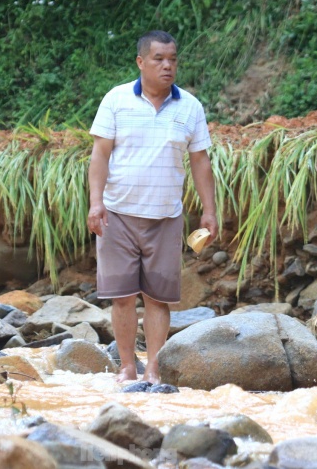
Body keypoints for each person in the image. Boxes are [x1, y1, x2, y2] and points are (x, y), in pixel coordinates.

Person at [87, 30, 218, 383]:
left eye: (173, 59)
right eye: (159, 59)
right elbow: (100, 154)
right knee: (123, 297)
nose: (168, 66)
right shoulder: (116, 100)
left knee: (158, 299)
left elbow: (200, 161)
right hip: (118, 215)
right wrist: (96, 204)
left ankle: (154, 368)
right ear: (141, 62)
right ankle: (127, 366)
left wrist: (209, 211)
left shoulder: (189, 106)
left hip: (166, 217)